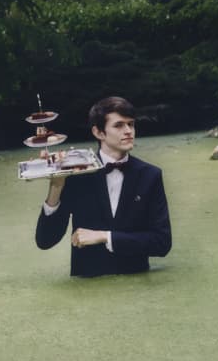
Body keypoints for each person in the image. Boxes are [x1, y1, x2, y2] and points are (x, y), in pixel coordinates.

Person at [35, 96, 172, 277]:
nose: (128, 131)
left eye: (130, 124)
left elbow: (162, 243)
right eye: (119, 125)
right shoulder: (76, 174)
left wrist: (105, 236)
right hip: (86, 289)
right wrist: (56, 186)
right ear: (98, 132)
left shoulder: (150, 175)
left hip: (137, 285)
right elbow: (45, 241)